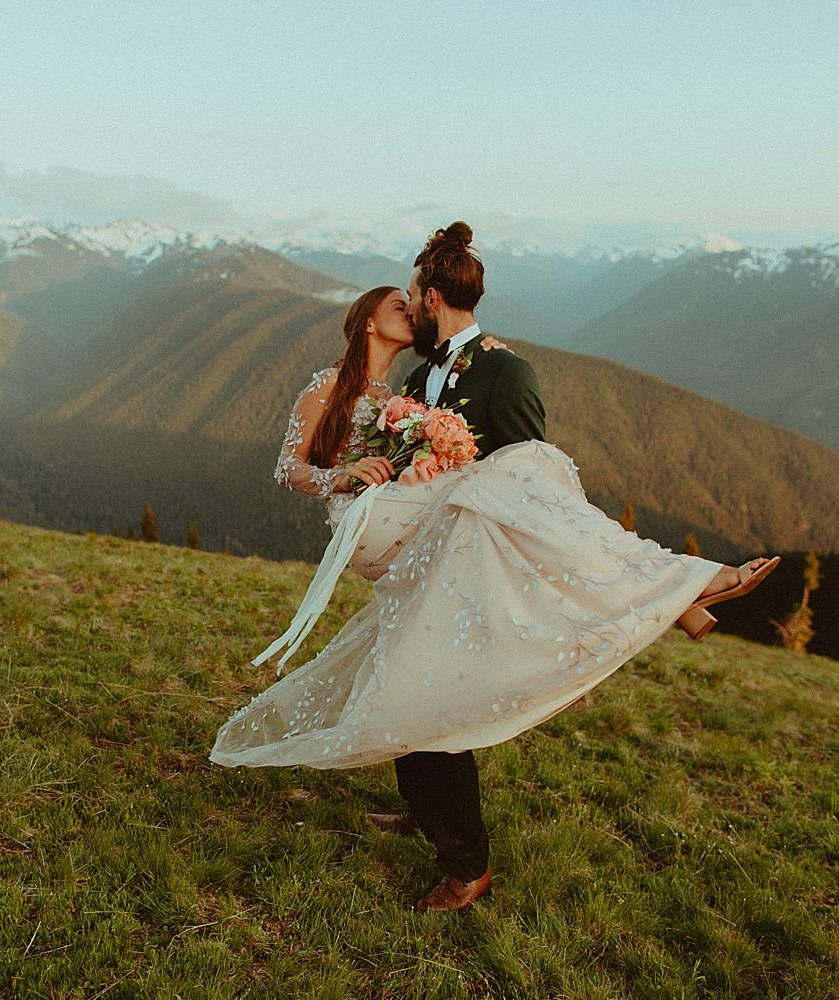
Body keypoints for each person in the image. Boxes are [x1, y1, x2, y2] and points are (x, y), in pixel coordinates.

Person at [210, 223, 777, 912]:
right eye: (397, 304)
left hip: (456, 550)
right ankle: (675, 593)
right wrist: (351, 475)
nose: (408, 310)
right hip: (402, 538)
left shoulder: (504, 371)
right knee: (414, 674)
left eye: (411, 299)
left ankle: (463, 856)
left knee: (511, 494)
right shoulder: (405, 383)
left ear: (432, 296)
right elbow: (299, 463)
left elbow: (542, 501)